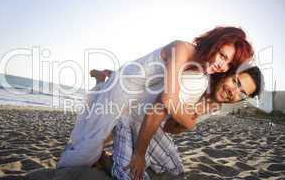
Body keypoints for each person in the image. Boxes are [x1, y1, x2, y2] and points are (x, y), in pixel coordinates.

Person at [57, 26, 254, 168]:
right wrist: (190, 121)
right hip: (124, 85)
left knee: (109, 134)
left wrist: (190, 114)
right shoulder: (182, 49)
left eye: (228, 64)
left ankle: (105, 77)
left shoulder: (200, 75)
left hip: (141, 91)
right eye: (222, 55)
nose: (222, 65)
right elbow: (168, 100)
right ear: (214, 43)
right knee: (89, 146)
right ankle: (103, 80)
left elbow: (166, 113)